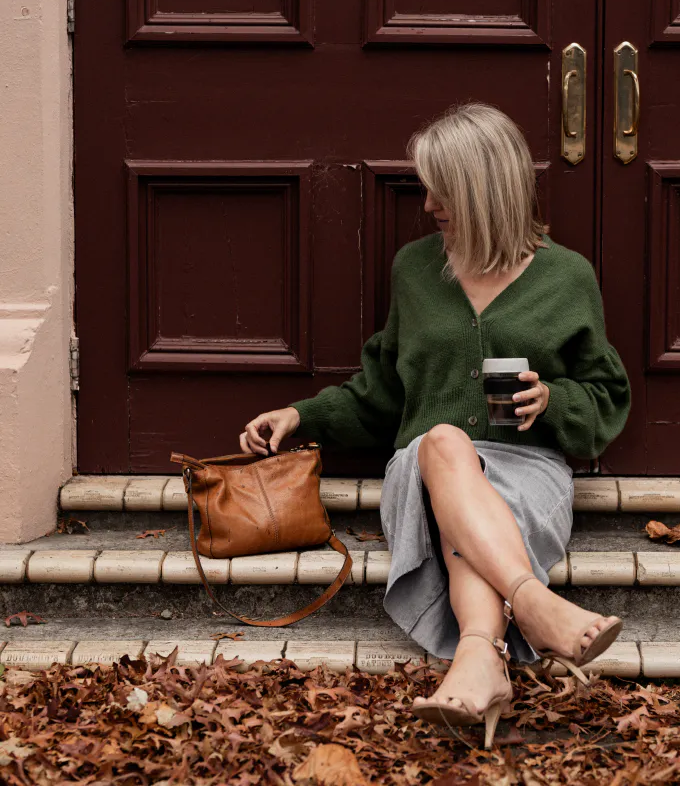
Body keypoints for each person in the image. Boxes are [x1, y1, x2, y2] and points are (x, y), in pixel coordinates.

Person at [239, 102, 632, 748]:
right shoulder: (415, 271)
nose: (427, 206)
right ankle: (532, 604)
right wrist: (300, 415)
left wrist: (551, 401)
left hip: (527, 472)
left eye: (440, 190)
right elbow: (382, 392)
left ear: (483, 192)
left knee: (466, 499)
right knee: (445, 443)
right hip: (426, 468)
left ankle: (481, 661)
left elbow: (607, 397)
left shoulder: (567, 278)